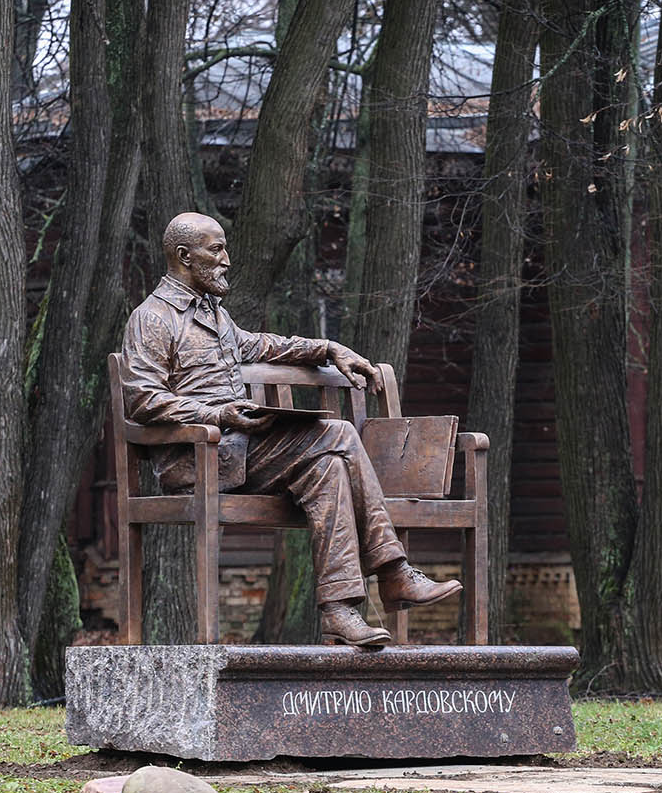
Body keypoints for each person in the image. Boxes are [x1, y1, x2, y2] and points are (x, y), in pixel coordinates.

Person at [119, 212, 463, 646]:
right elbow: (143, 399)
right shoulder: (152, 319)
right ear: (185, 256)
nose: (227, 259)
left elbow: (265, 345)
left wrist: (329, 347)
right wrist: (218, 415)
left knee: (330, 468)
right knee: (336, 435)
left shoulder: (215, 317)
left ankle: (340, 611)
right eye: (217, 249)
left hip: (241, 451)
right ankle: (393, 572)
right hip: (196, 456)